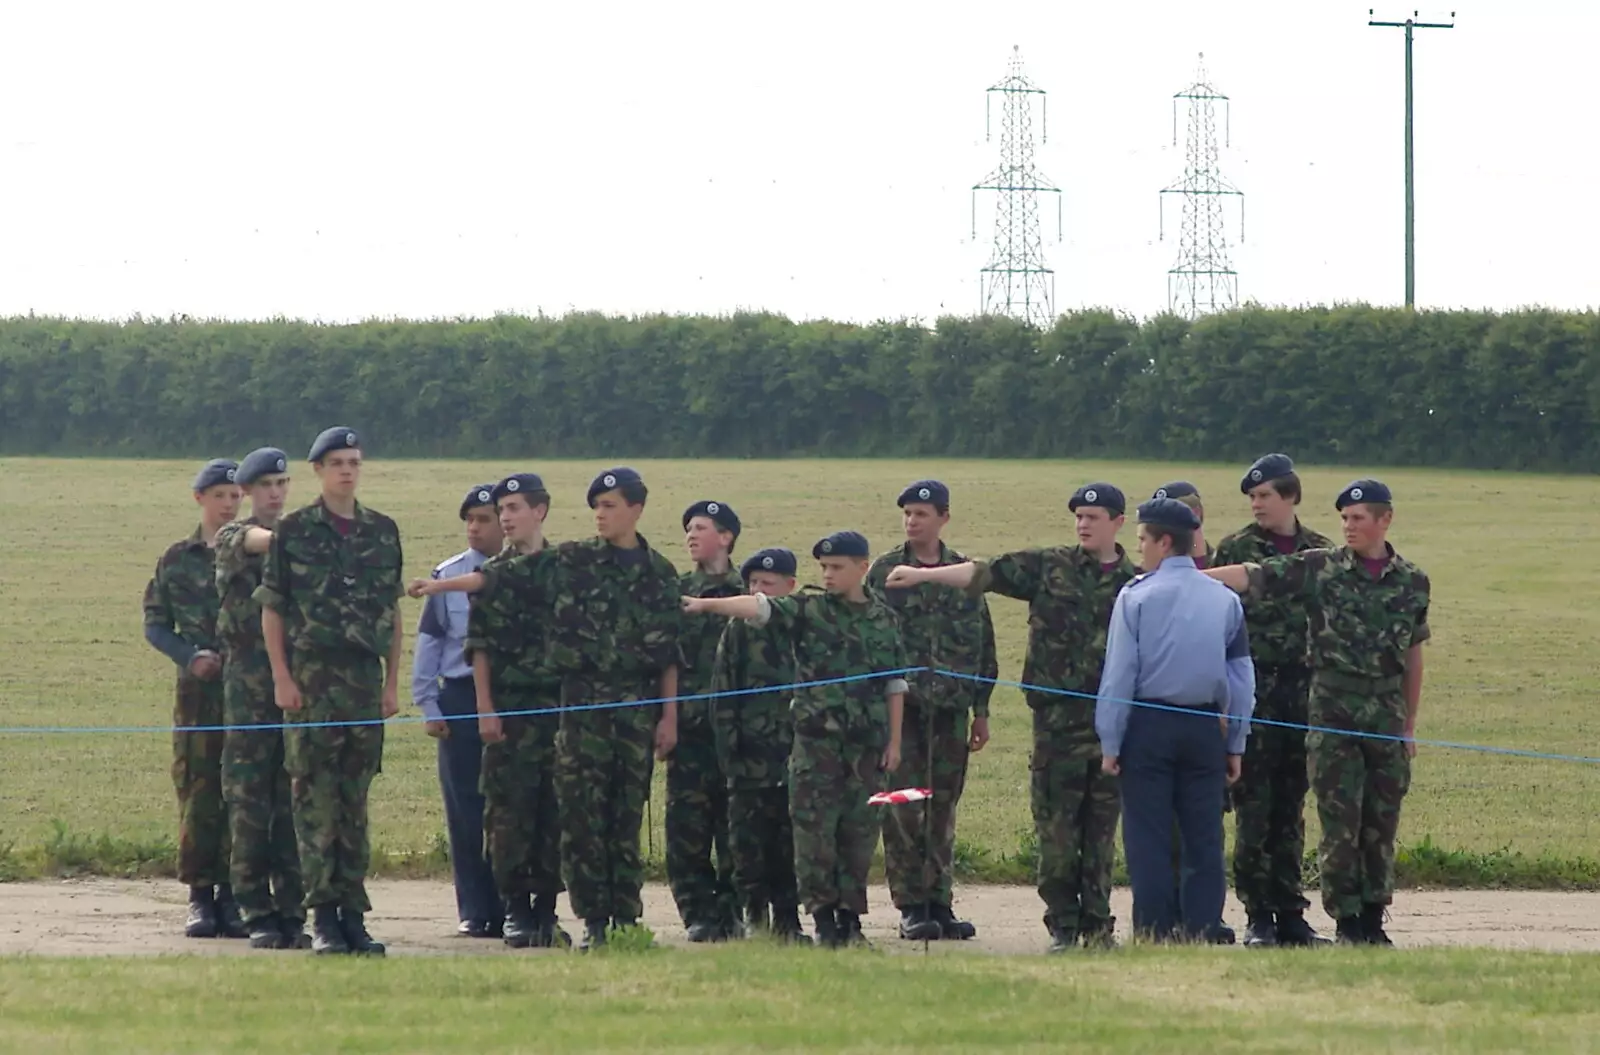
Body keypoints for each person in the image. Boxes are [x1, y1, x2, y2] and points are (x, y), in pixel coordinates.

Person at [413, 467, 681, 951]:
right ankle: (574, 916)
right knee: (560, 818)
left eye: (609, 505)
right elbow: (498, 578)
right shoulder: (575, 561)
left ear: (636, 509)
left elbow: (668, 654)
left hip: (631, 712)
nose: (599, 515)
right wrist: (440, 588)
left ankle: (624, 917)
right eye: (595, 506)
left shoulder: (659, 572)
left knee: (621, 818)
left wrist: (668, 716)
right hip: (577, 711)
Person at [885, 482, 1135, 953]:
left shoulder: (1136, 581)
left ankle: (1098, 925)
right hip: (1058, 725)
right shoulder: (1048, 566)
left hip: (1113, 725)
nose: (1083, 523)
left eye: (1094, 516)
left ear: (1118, 522)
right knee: (1058, 831)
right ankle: (1063, 924)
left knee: (1101, 833)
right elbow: (984, 575)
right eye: (1078, 515)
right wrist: (924, 577)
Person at [1204, 478, 1430, 946]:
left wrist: (1408, 723)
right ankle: (1347, 920)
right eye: (1344, 519)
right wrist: (1186, 579)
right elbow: (1253, 574)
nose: (1348, 527)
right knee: (1340, 823)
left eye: (1358, 519)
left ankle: (1373, 917)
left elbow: (1413, 655)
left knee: (1381, 823)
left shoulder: (1412, 581)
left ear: (1384, 520)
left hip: (1385, 714)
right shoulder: (1321, 568)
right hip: (1333, 715)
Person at [686, 531, 906, 948]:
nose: (827, 575)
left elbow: (894, 684)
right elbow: (759, 606)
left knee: (858, 838)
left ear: (863, 567)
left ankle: (850, 922)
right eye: (823, 567)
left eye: (837, 567)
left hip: (866, 748)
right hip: (817, 746)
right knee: (814, 837)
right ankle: (823, 922)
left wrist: (894, 742)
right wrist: (705, 604)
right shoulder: (811, 610)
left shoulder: (884, 619)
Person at [255, 426, 404, 956]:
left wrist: (390, 683)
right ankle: (321, 916)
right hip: (313, 681)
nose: (347, 470)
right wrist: (281, 676)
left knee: (354, 804)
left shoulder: (382, 531)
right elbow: (273, 607)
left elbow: (391, 614)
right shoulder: (294, 531)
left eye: (354, 461)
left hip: (362, 683)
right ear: (318, 471)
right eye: (337, 462)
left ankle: (353, 915)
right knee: (314, 803)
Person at [1095, 497, 1255, 943]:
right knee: (1203, 834)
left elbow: (1119, 675)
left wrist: (1110, 742)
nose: (1140, 548)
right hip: (1204, 727)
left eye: (1144, 539)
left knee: (1148, 835)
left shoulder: (1136, 596)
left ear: (1164, 543)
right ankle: (1202, 926)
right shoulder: (1225, 601)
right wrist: (1236, 741)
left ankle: (1154, 929)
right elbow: (1241, 677)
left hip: (1149, 725)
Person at [1212, 453, 1333, 947]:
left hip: (1302, 692)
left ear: (1290, 496)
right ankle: (1258, 914)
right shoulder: (1236, 549)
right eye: (1252, 498)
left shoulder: (1322, 552)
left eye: (1264, 496)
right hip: (1254, 691)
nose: (1256, 505)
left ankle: (1292, 913)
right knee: (1254, 808)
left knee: (1291, 808)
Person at [866, 479, 996, 942]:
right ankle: (911, 905)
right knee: (905, 808)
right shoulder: (885, 571)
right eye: (907, 513)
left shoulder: (963, 572)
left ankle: (939, 901)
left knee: (942, 807)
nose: (912, 521)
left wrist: (980, 710)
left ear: (943, 517)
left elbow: (984, 644)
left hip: (950, 709)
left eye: (921, 513)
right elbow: (869, 640)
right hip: (903, 709)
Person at [143, 458, 246, 940]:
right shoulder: (177, 559)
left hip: (250, 688)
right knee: (199, 789)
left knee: (245, 790)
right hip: (199, 690)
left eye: (235, 496)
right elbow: (156, 623)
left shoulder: (253, 551)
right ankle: (201, 895)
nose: (229, 504)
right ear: (200, 498)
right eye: (220, 495)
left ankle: (238, 894)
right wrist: (188, 656)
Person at [215, 447, 307, 950]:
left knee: (292, 801)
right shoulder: (235, 536)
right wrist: (305, 542)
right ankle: (255, 907)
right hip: (249, 690)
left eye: (282, 483)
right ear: (248, 491)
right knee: (249, 803)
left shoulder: (300, 538)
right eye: (266, 485)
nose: (275, 492)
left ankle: (294, 909)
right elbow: (257, 541)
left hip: (295, 686)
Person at [409, 483, 502, 939]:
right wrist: (428, 703)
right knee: (465, 810)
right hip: (461, 699)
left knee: (514, 808)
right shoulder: (447, 576)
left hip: (515, 699)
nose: (474, 528)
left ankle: (515, 904)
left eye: (483, 519)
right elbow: (429, 643)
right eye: (469, 519)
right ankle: (474, 909)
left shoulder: (525, 571)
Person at [710, 547, 808, 944]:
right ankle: (754, 915)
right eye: (752, 584)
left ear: (789, 586)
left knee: (790, 841)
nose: (758, 591)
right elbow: (722, 694)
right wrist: (730, 751)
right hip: (750, 756)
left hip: (796, 753)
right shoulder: (738, 630)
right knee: (747, 843)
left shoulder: (803, 628)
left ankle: (789, 919)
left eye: (767, 584)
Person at [671, 500, 744, 942]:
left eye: (700, 528)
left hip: (739, 734)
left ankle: (732, 909)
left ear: (727, 537)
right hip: (690, 731)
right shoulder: (677, 593)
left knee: (736, 827)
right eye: (688, 530)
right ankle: (697, 912)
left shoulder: (749, 591)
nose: (691, 536)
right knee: (687, 828)